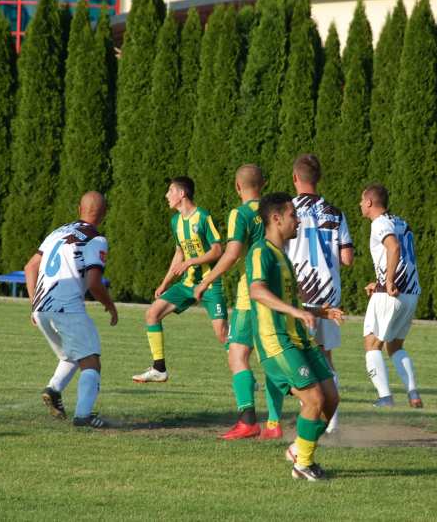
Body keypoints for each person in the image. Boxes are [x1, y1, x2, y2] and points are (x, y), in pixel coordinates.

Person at [247, 192, 342, 481]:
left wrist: (318, 311)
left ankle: (299, 449)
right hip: (276, 341)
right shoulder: (260, 252)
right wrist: (297, 313)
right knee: (313, 398)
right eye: (293, 215)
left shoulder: (283, 257)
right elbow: (257, 291)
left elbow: (291, 303)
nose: (297, 220)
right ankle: (304, 464)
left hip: (299, 339)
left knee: (331, 399)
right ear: (276, 219)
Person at [194, 165, 280, 440]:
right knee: (272, 359)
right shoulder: (273, 213)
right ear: (263, 184)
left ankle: (248, 420)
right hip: (278, 291)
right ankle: (274, 423)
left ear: (236, 187)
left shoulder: (239, 214)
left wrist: (207, 281)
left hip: (249, 297)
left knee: (237, 356)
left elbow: (231, 254)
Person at [24, 191, 118, 428]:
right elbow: (95, 283)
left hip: (42, 308)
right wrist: (110, 306)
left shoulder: (58, 232)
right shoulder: (96, 239)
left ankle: (54, 390)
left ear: (79, 209)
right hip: (67, 307)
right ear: (104, 213)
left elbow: (30, 267)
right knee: (91, 361)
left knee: (71, 353)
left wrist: (33, 301)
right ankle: (83, 416)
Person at [132, 177, 228, 383]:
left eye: (170, 191)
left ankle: (244, 371)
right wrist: (164, 283)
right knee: (152, 314)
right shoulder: (175, 221)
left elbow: (218, 250)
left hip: (210, 284)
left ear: (182, 194)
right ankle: (159, 369)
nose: (167, 195)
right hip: (186, 285)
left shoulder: (203, 216)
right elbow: (179, 254)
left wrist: (190, 261)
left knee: (222, 335)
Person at [284, 154, 353, 433]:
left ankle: (308, 412)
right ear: (319, 178)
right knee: (325, 357)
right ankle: (331, 419)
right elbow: (347, 259)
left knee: (298, 355)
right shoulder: (336, 212)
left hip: (300, 292)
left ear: (295, 178)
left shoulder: (288, 211)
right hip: (329, 294)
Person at [358, 184, 423, 408]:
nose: (359, 205)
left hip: (392, 293)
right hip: (411, 293)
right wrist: (380, 281)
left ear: (369, 202)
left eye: (361, 200)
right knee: (394, 345)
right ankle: (413, 393)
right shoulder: (401, 222)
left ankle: (385, 398)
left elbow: (393, 248)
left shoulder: (379, 223)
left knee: (371, 343)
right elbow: (403, 256)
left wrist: (388, 282)